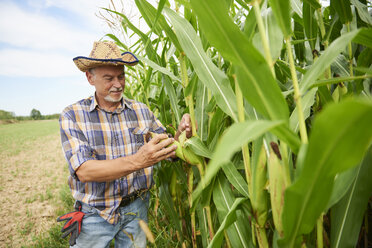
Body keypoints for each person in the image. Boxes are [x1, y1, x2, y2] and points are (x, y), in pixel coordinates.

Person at [58, 41, 192, 247]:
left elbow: (166, 148)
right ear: (90, 77)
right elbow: (85, 171)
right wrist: (138, 161)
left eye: (121, 76)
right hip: (94, 214)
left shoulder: (141, 111)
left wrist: (181, 136)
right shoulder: (73, 115)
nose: (118, 84)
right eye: (109, 78)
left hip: (136, 210)